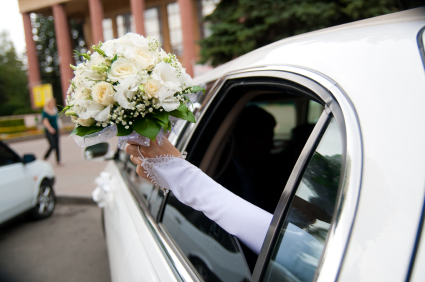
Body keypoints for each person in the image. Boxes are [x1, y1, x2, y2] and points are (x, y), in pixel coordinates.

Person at [42, 97, 61, 165]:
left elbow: (58, 119)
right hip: (49, 131)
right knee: (52, 145)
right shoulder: (45, 111)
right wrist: (50, 129)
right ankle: (45, 157)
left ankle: (58, 160)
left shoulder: (55, 110)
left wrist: (61, 127)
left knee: (57, 145)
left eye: (53, 102)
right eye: (51, 102)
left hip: (56, 130)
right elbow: (45, 121)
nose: (52, 104)